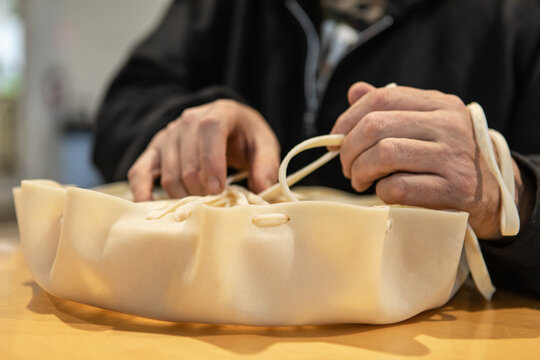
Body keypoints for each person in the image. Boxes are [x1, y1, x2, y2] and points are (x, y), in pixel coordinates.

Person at [93, 0, 540, 295]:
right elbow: (123, 106)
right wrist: (187, 125)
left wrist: (510, 191)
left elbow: (518, 192)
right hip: (215, 323)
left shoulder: (516, 16)